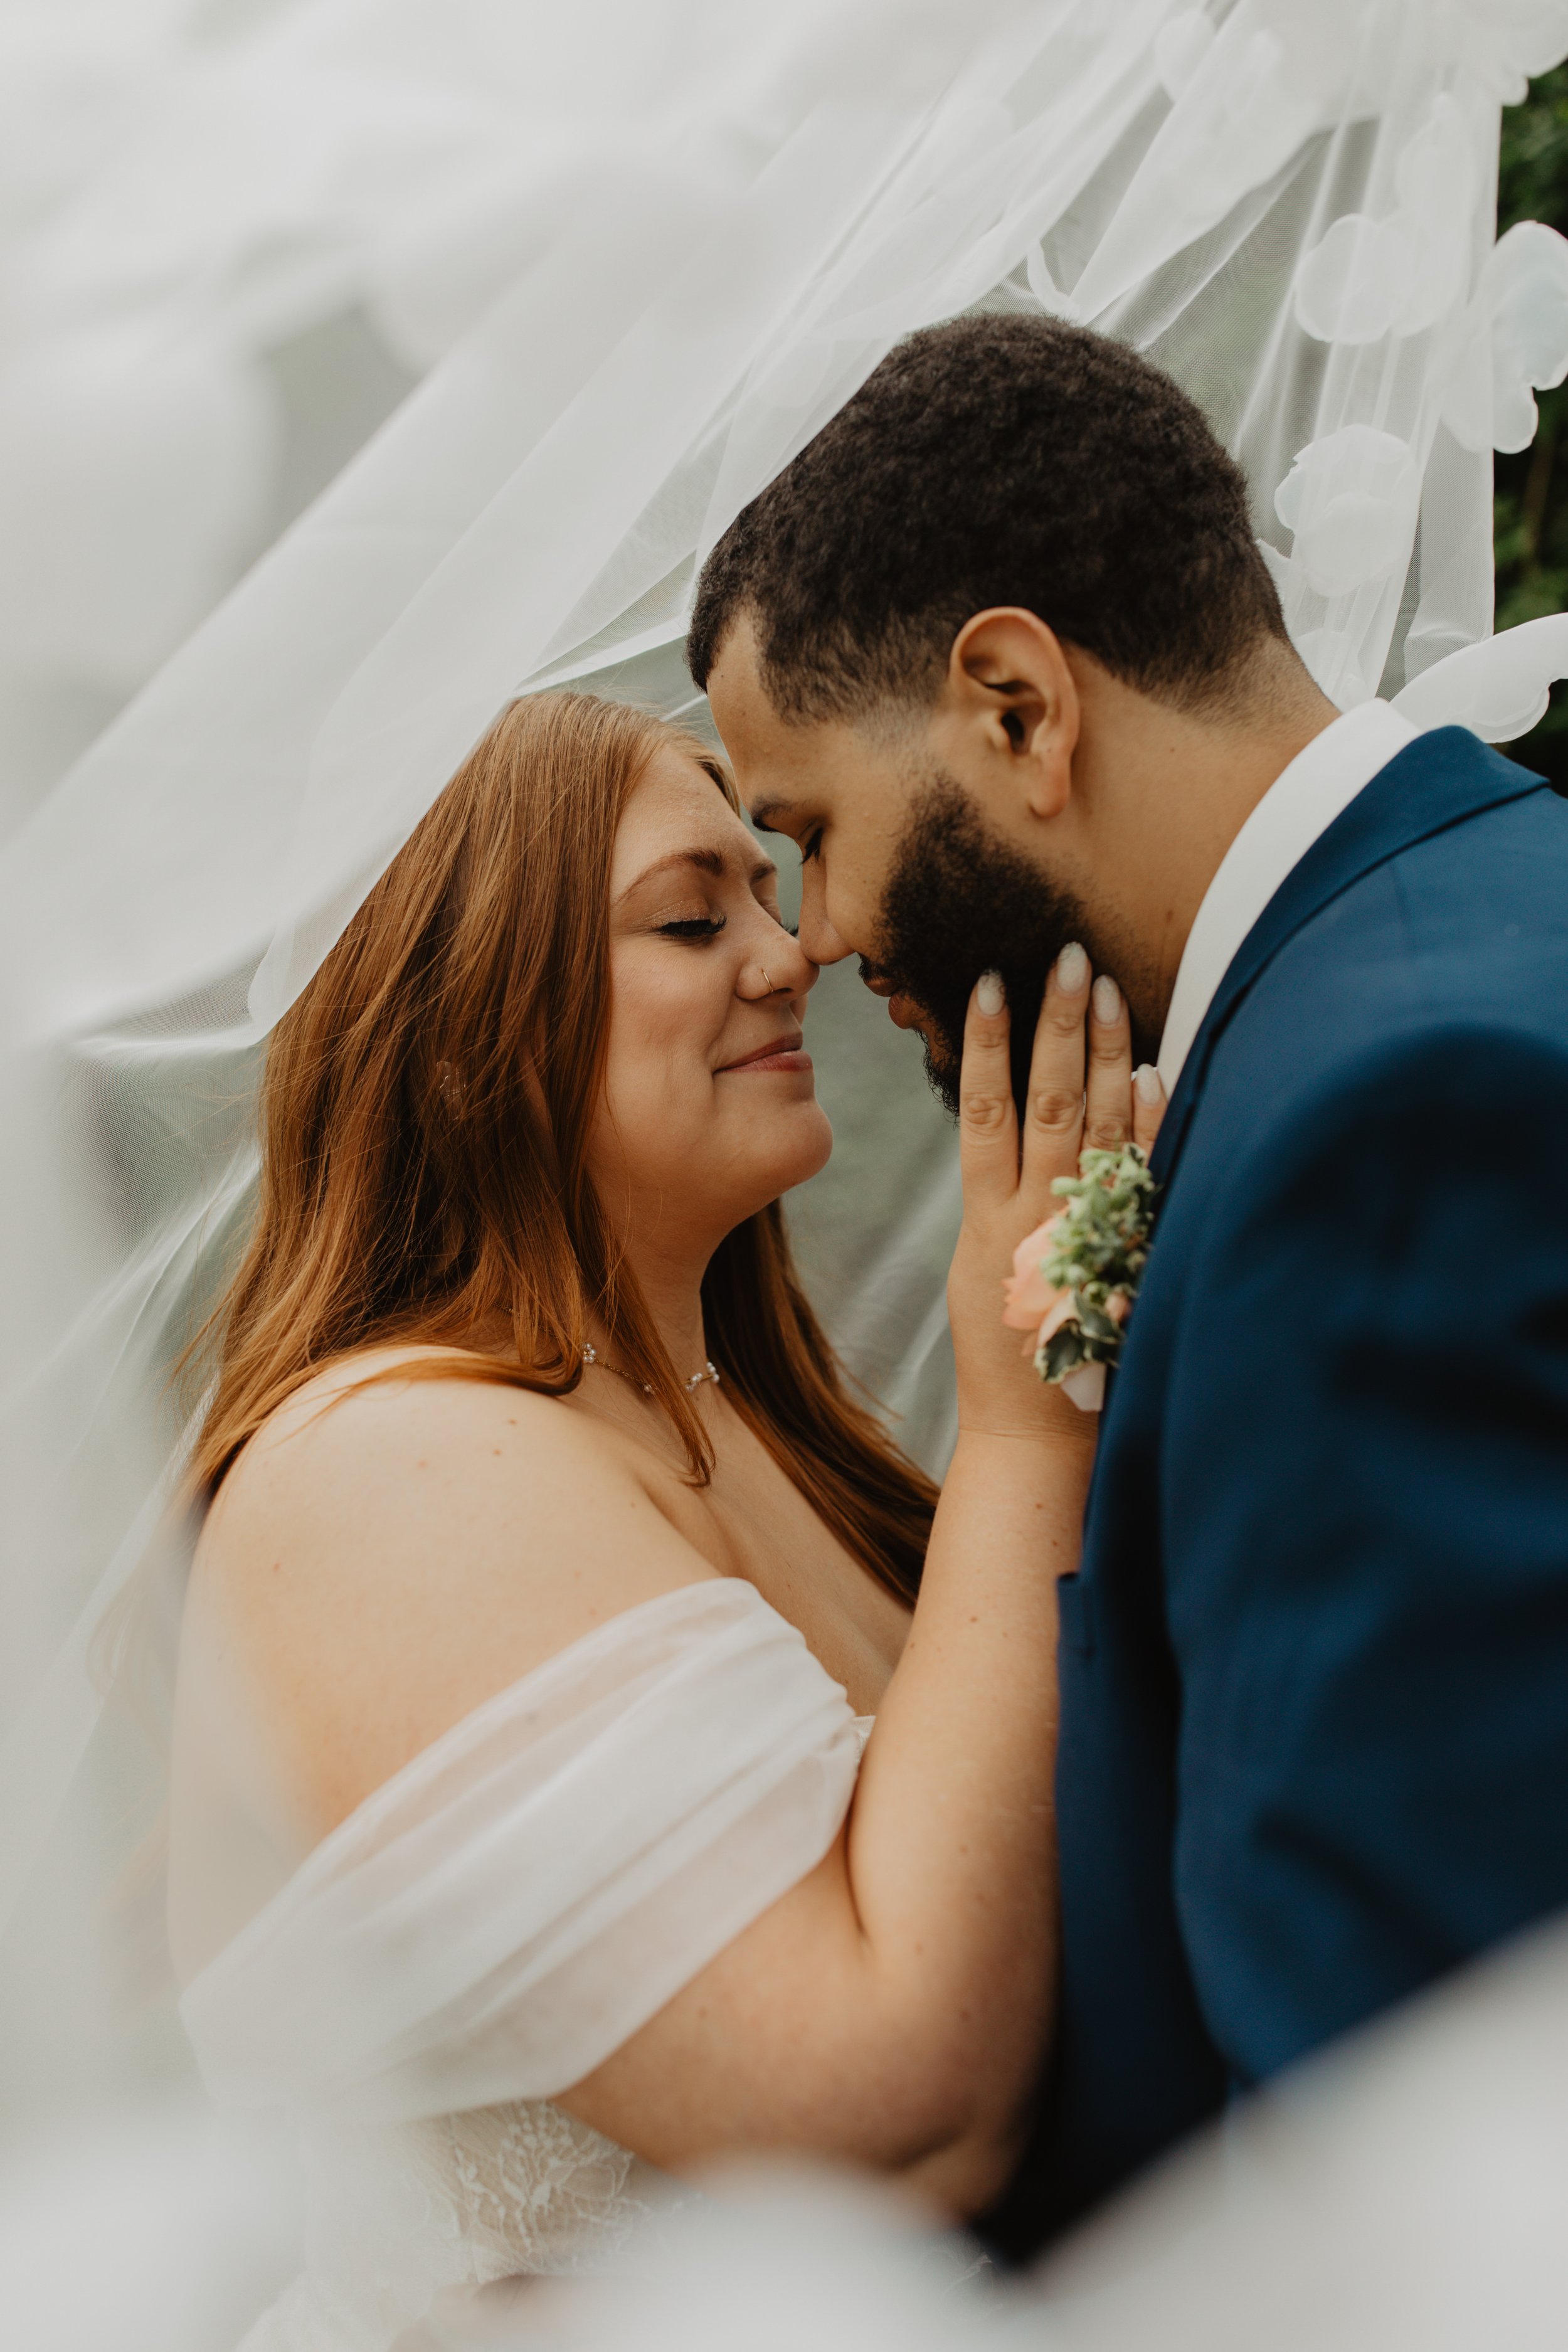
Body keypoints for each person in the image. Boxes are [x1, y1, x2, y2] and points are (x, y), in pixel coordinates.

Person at [692, 309, 1568, 2249]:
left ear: (1014, 702)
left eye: (808, 834)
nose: (818, 938)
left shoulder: (1387, 1118)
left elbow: (1411, 2131)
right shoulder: (1459, 945)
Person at [166, 686, 1160, 2347]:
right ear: (469, 1008)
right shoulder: (395, 1475)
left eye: (766, 892)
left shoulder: (730, 1421)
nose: (792, 955)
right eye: (693, 916)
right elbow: (883, 2117)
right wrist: (1020, 1427)